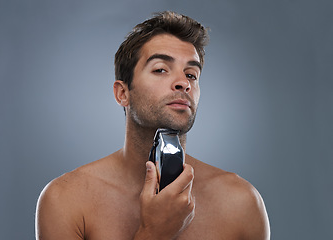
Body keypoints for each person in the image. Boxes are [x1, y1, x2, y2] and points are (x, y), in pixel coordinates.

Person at [35, 11, 270, 240]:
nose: (183, 83)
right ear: (122, 93)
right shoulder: (67, 200)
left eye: (191, 75)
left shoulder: (241, 202)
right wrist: (153, 234)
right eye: (160, 69)